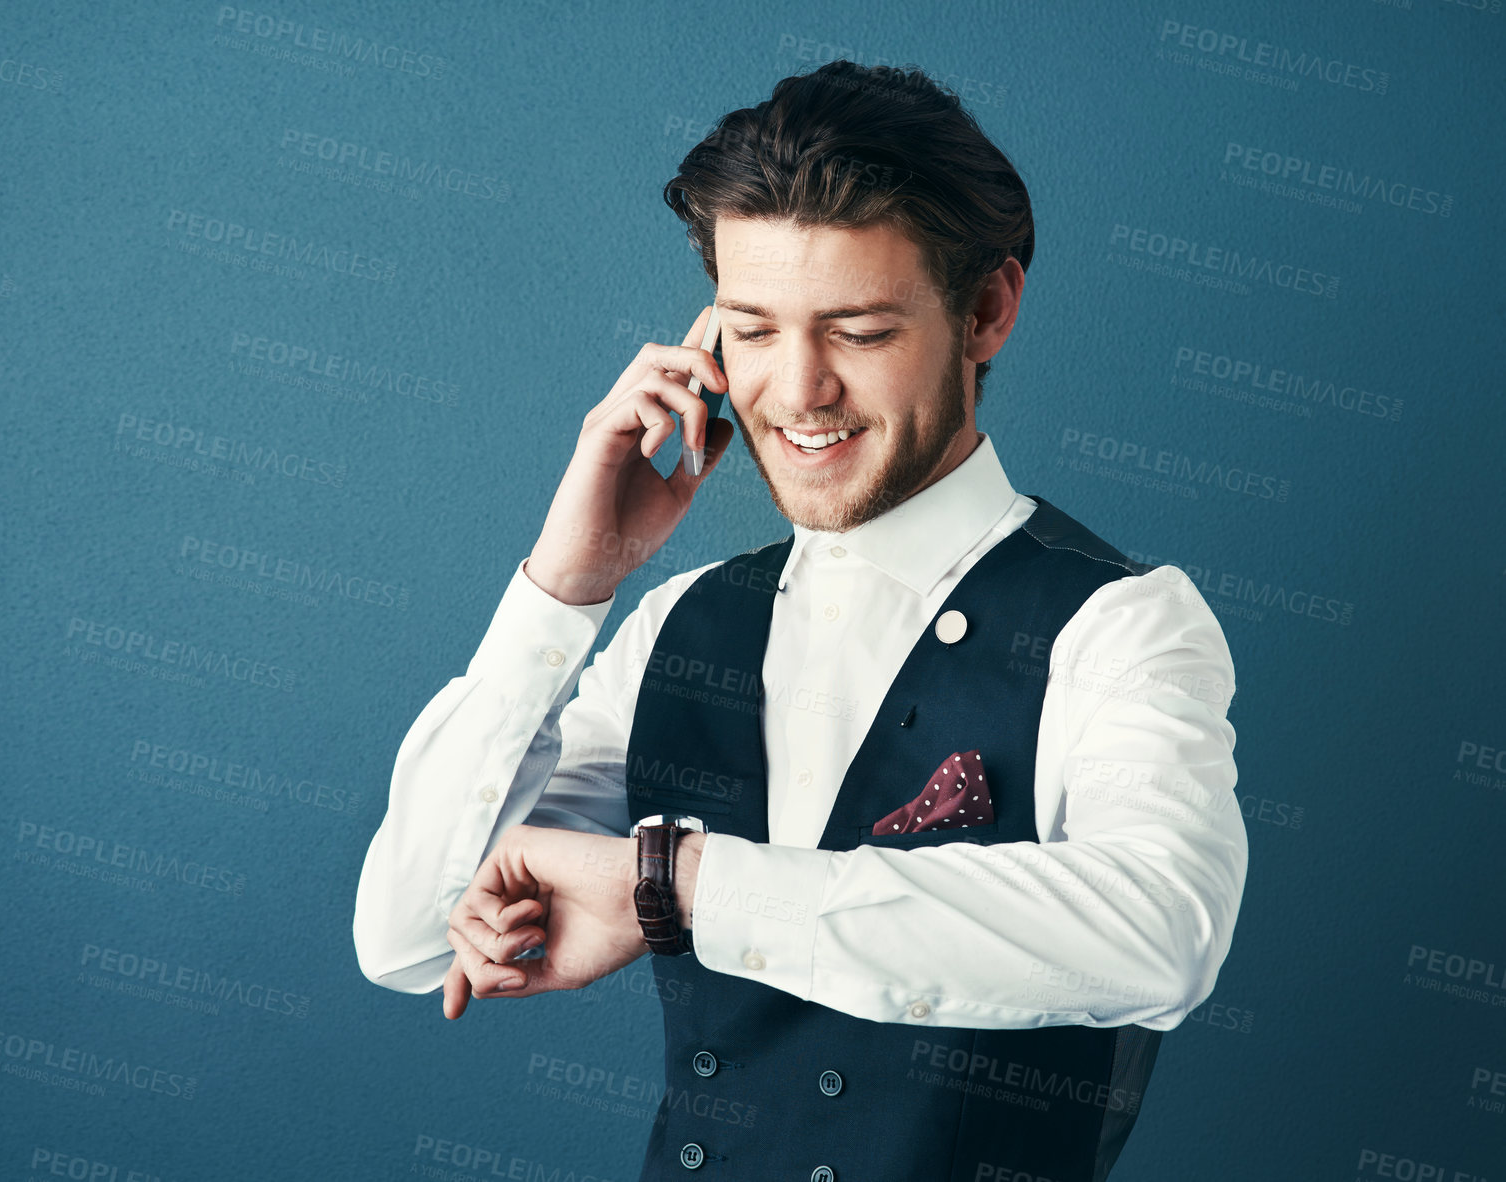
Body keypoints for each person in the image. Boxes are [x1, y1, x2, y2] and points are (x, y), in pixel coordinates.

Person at [354, 59, 1248, 1182]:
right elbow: (407, 935)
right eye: (753, 331)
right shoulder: (682, 622)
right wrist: (565, 587)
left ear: (984, 310)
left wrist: (672, 884)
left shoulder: (1117, 623)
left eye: (858, 331)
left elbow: (1157, 930)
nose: (798, 389)